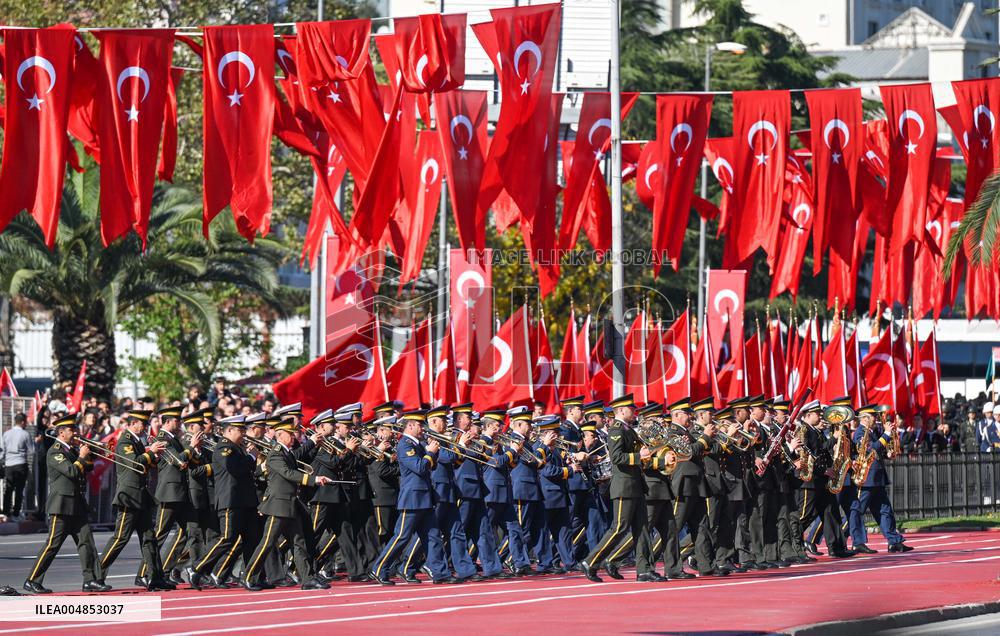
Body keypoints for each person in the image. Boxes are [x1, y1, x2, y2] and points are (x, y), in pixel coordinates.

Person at [241, 415, 333, 591]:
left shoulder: (286, 452)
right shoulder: (275, 454)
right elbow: (288, 473)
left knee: (299, 543)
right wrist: (313, 479)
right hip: (278, 506)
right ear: (280, 435)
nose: (294, 437)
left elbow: (296, 458)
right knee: (267, 542)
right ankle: (249, 576)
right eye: (291, 434)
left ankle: (307, 579)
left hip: (289, 505)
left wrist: (312, 445)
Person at [23, 414, 110, 594]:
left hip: (77, 504)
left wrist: (92, 452)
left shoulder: (71, 450)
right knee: (52, 545)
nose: (75, 432)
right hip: (61, 505)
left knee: (87, 543)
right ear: (61, 433)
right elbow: (71, 471)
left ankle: (90, 580)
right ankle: (32, 580)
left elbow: (87, 468)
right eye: (72, 429)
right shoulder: (55, 451)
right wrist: (81, 456)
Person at [580, 394, 659, 583]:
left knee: (642, 529)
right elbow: (617, 458)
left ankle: (644, 569)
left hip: (636, 485)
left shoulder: (628, 429)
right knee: (619, 528)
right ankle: (591, 561)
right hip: (624, 486)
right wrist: (640, 456)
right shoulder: (617, 429)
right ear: (622, 410)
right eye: (631, 409)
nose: (634, 412)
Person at [96, 410, 172, 591]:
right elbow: (133, 463)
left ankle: (156, 578)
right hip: (129, 496)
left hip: (141, 496)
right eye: (142, 424)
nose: (145, 428)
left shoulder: (136, 442)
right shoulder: (125, 441)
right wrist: (150, 453)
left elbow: (144, 464)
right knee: (120, 538)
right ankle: (96, 575)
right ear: (133, 424)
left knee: (149, 539)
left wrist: (154, 456)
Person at [370, 410, 441, 585]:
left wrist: (432, 452)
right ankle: (379, 568)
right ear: (410, 425)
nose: (423, 428)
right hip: (412, 498)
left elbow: (430, 466)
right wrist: (430, 453)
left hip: (424, 497)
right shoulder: (405, 444)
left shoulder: (418, 444)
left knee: (433, 536)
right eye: (419, 425)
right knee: (402, 537)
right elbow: (420, 467)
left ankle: (440, 571)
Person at [190, 415, 259, 590]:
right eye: (240, 430)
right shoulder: (223, 448)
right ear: (229, 431)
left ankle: (251, 577)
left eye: (244, 430)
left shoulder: (238, 448)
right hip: (231, 501)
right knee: (227, 538)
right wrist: (252, 457)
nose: (244, 434)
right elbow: (235, 468)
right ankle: (196, 568)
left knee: (251, 540)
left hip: (246, 501)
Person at [849, 405, 912, 554]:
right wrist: (886, 434)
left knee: (885, 510)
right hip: (867, 478)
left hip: (877, 478)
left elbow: (877, 451)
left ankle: (894, 541)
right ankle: (856, 542)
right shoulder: (859, 433)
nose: (876, 419)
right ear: (864, 418)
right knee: (857, 511)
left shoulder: (872, 432)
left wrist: (887, 453)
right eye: (873, 417)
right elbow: (870, 450)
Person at [2, 413, 33, 519]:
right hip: (21, 464)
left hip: (8, 464)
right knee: (19, 490)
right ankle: (16, 513)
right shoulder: (25, 434)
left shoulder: (6, 434)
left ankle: (6, 512)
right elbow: (32, 450)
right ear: (23, 422)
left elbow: (2, 451)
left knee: (8, 489)